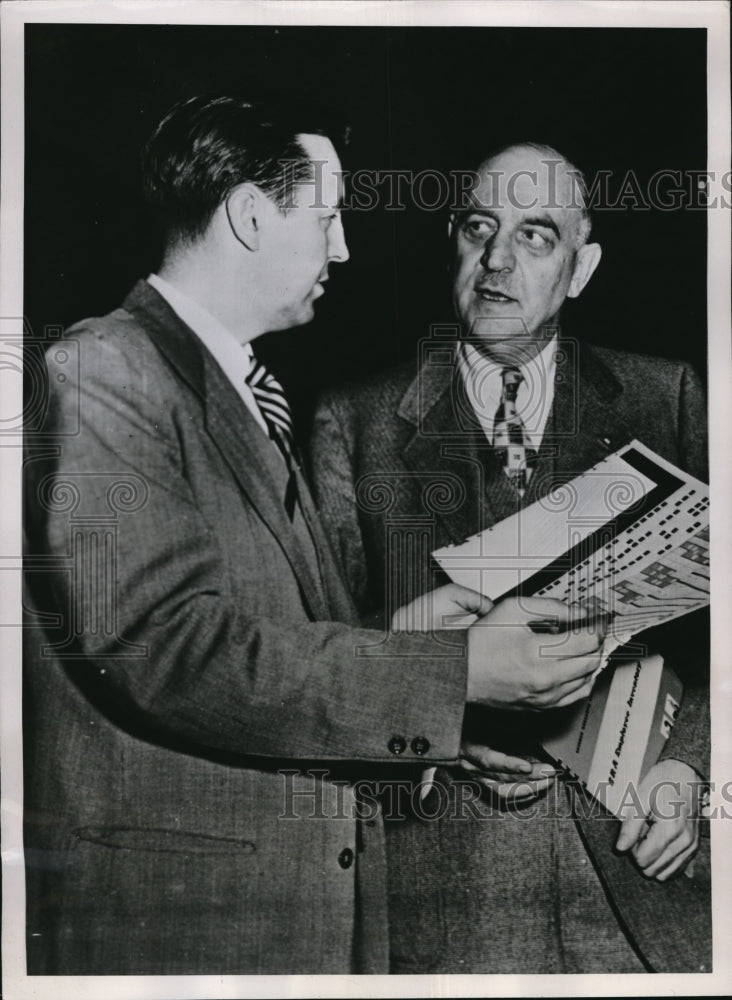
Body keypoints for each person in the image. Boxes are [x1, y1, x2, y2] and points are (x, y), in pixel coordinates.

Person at [22, 104, 608, 976]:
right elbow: (165, 646)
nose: (342, 251)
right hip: (187, 926)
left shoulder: (238, 384)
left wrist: (416, 647)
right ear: (252, 217)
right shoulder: (108, 366)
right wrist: (456, 672)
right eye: (328, 219)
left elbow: (269, 637)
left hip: (276, 919)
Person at [312, 142, 711, 974]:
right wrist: (440, 721)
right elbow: (321, 661)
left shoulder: (668, 396)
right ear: (452, 242)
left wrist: (691, 772)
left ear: (582, 266)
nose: (498, 260)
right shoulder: (352, 424)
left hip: (648, 881)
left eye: (536, 236)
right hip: (454, 893)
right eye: (479, 227)